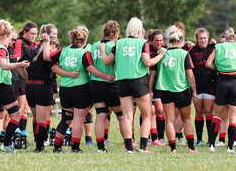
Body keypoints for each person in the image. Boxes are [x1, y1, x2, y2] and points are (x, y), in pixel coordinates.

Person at [43, 27, 114, 153]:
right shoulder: (84, 53)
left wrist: (46, 42)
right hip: (81, 88)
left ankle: (57, 146)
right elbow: (91, 69)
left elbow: (47, 58)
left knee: (66, 119)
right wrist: (106, 76)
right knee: (79, 119)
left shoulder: (63, 51)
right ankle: (75, 147)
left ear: (72, 39)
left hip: (65, 89)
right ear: (84, 40)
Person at [100, 17, 166, 153]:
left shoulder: (118, 43)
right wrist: (160, 55)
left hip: (122, 82)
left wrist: (102, 49)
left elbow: (107, 61)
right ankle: (143, 147)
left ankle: (129, 148)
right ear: (139, 29)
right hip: (139, 81)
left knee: (127, 116)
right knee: (147, 115)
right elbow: (147, 62)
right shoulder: (143, 43)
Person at [150, 25, 198, 153]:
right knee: (186, 119)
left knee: (169, 120)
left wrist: (150, 89)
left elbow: (153, 74)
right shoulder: (184, 54)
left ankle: (173, 148)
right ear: (181, 41)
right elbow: (190, 74)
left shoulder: (162, 54)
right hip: (181, 90)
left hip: (165, 91)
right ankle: (191, 148)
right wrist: (194, 91)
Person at [0, 20, 29, 153]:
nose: (11, 42)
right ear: (5, 36)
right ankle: (7, 144)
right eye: (11, 38)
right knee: (16, 115)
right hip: (1, 86)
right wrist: (19, 65)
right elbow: (4, 65)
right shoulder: (1, 49)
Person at [18, 23, 59, 152]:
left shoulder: (31, 51)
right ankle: (39, 147)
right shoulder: (48, 55)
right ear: (50, 45)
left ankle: (38, 143)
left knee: (36, 118)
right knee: (42, 119)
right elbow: (54, 69)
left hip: (30, 88)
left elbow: (20, 65)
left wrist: (26, 77)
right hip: (43, 88)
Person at [206, 31, 236, 153]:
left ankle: (212, 145)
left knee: (217, 116)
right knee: (233, 118)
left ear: (227, 40)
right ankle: (230, 147)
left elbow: (208, 63)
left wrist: (218, 69)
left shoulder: (219, 46)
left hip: (222, 82)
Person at [90, 20, 124, 152]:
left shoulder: (94, 45)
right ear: (115, 32)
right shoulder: (114, 46)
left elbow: (91, 64)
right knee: (121, 116)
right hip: (110, 84)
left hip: (95, 83)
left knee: (101, 115)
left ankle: (100, 147)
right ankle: (129, 144)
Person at [188, 28, 217, 146]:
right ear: (196, 39)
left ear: (208, 38)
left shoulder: (213, 49)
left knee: (209, 111)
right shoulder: (192, 51)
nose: (203, 40)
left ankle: (211, 139)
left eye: (205, 38)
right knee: (199, 112)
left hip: (211, 84)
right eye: (200, 38)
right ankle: (199, 139)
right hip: (197, 86)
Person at [14, 22, 38, 138]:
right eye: (31, 33)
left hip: (29, 77)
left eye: (35, 34)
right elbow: (18, 60)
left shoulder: (33, 44)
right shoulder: (19, 42)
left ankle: (22, 130)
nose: (33, 36)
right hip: (19, 76)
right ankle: (16, 129)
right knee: (20, 106)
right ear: (25, 31)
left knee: (25, 108)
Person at [148, 29, 166, 146]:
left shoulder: (166, 50)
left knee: (160, 111)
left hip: (161, 85)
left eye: (160, 40)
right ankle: (149, 137)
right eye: (156, 40)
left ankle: (161, 137)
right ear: (151, 40)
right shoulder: (147, 49)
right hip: (147, 83)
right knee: (150, 111)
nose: (158, 43)